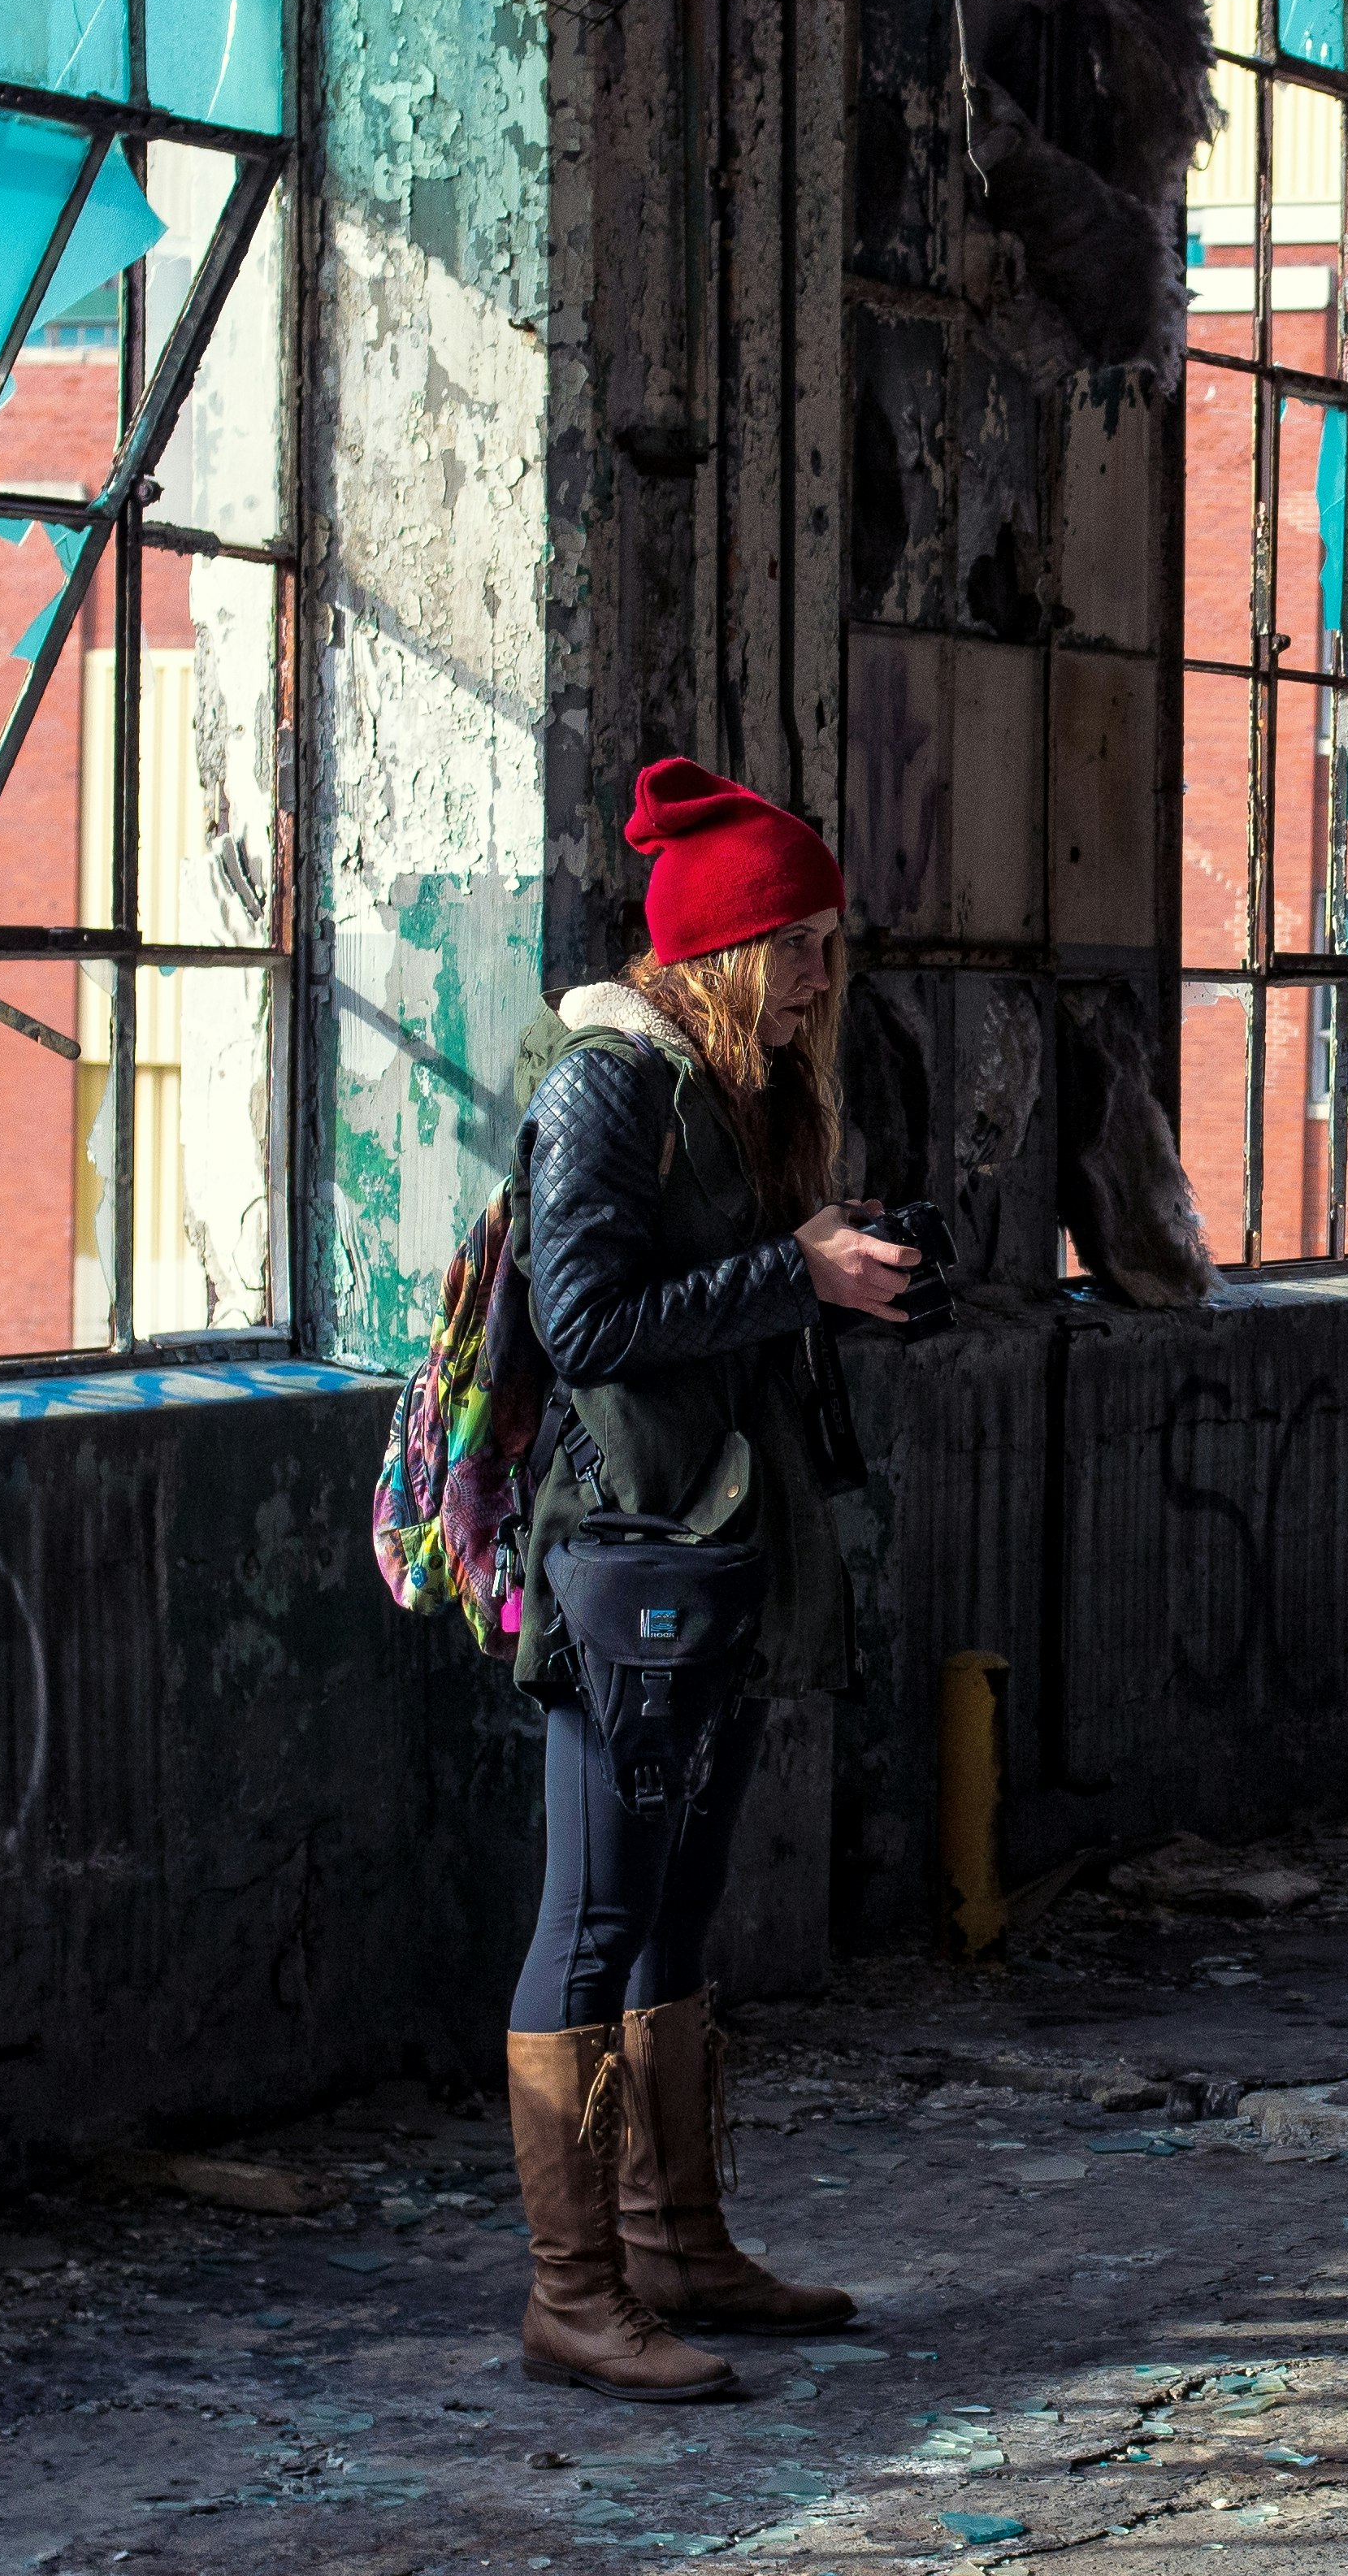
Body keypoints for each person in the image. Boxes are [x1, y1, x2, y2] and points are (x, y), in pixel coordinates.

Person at [496, 757, 924, 2402]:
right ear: (726, 948)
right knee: (594, 1912)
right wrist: (785, 1272)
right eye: (800, 942)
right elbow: (584, 1319)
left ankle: (674, 2244)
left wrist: (838, 1272)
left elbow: (710, 1298)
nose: (822, 972)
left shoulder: (731, 1081)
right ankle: (572, 2289)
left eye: (828, 938)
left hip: (710, 1540)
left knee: (676, 1905)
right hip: (625, 1552)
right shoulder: (613, 1081)